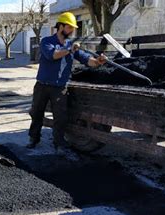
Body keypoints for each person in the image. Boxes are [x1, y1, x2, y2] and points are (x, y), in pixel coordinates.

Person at [26, 12, 107, 158]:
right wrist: (69, 50)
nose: (72, 31)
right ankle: (34, 138)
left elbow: (86, 60)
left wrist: (97, 62)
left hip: (60, 88)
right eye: (69, 27)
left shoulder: (71, 46)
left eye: (72, 28)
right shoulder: (47, 41)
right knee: (36, 113)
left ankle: (58, 144)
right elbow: (53, 55)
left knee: (60, 117)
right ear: (61, 26)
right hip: (42, 85)